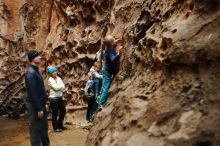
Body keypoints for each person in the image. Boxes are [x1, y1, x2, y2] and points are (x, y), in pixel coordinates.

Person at [25, 50, 50, 146]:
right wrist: (39, 109)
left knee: (44, 128)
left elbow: (41, 89)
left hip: (40, 104)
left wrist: (45, 103)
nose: (40, 57)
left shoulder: (36, 71)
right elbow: (33, 93)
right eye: (37, 56)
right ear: (32, 59)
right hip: (34, 106)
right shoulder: (30, 73)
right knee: (35, 130)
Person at [96, 35, 123, 110]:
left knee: (104, 86)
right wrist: (119, 54)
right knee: (106, 86)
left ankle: (99, 97)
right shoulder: (110, 51)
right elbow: (113, 60)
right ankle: (100, 105)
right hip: (107, 71)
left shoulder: (109, 48)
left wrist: (116, 42)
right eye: (114, 40)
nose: (116, 40)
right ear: (111, 44)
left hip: (109, 69)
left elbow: (112, 45)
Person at [48, 66, 66, 132]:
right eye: (53, 72)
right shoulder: (50, 80)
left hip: (60, 97)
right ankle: (55, 128)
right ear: (51, 73)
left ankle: (60, 125)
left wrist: (60, 87)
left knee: (63, 111)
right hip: (53, 98)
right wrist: (60, 87)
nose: (55, 72)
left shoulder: (59, 78)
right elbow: (56, 88)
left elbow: (63, 87)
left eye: (55, 71)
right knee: (55, 113)